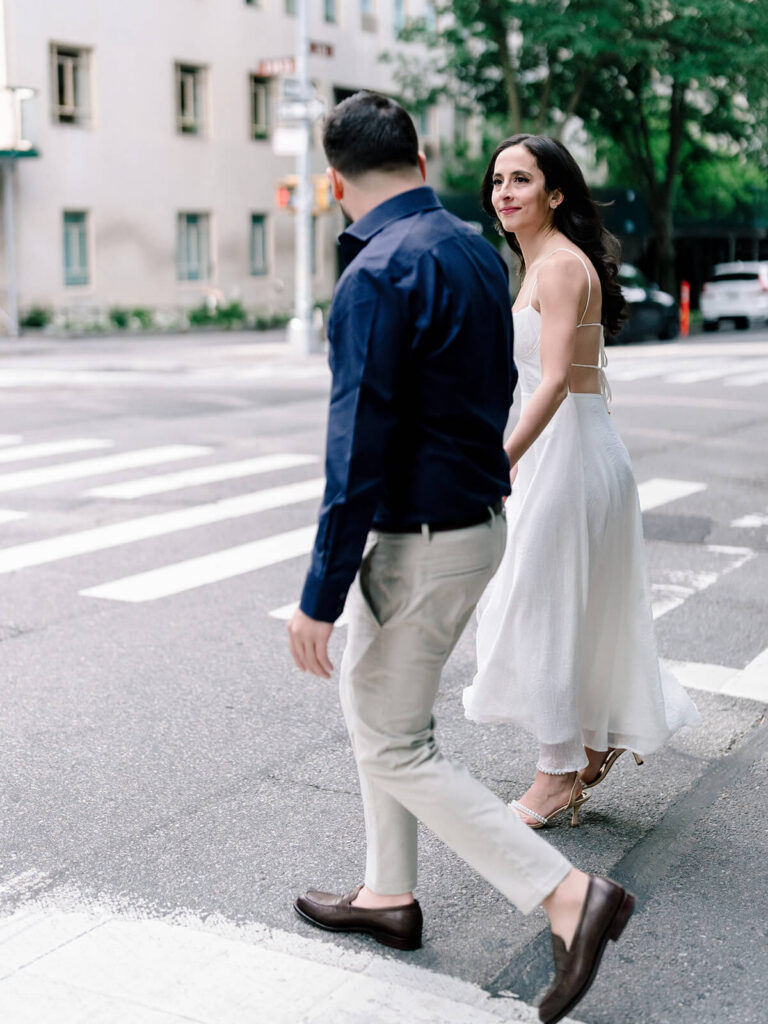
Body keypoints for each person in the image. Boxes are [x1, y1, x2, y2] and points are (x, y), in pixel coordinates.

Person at [287, 94, 634, 1024]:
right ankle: (387, 895)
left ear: (335, 181)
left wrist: (318, 594)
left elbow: (356, 448)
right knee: (377, 704)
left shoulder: (378, 273)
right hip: (474, 520)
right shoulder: (473, 253)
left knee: (396, 739)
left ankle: (569, 897)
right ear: (422, 154)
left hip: (422, 538)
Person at [463, 134, 700, 828]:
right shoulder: (545, 264)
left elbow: (561, 381)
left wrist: (500, 461)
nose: (504, 192)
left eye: (522, 180)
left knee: (542, 606)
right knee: (566, 603)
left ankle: (558, 772)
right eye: (498, 180)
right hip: (571, 449)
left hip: (566, 454)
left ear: (555, 194)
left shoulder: (560, 268)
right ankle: (592, 742)